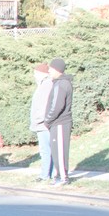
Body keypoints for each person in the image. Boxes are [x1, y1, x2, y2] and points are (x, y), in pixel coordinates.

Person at [42, 57, 74, 186]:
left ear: (57, 69)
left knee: (60, 150)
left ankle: (63, 177)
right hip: (56, 123)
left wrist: (48, 120)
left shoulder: (62, 84)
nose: (49, 70)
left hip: (60, 122)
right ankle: (58, 175)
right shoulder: (58, 83)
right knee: (56, 150)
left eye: (50, 68)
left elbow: (57, 106)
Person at [29, 62, 54, 182]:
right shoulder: (45, 84)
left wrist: (39, 120)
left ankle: (45, 175)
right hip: (43, 123)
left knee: (45, 151)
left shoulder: (46, 85)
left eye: (35, 73)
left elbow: (43, 106)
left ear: (41, 74)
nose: (34, 76)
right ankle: (49, 174)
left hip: (43, 124)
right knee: (48, 150)